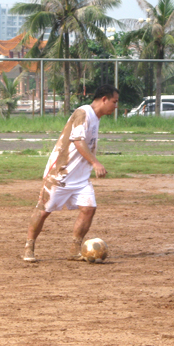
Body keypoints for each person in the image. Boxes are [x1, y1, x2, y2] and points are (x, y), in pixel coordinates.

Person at [23, 84, 119, 262]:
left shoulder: (95, 117)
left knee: (89, 209)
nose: (116, 106)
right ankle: (29, 246)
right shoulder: (83, 113)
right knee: (43, 211)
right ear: (104, 99)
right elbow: (77, 141)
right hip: (60, 174)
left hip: (81, 177)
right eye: (114, 101)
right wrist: (95, 163)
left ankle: (75, 249)